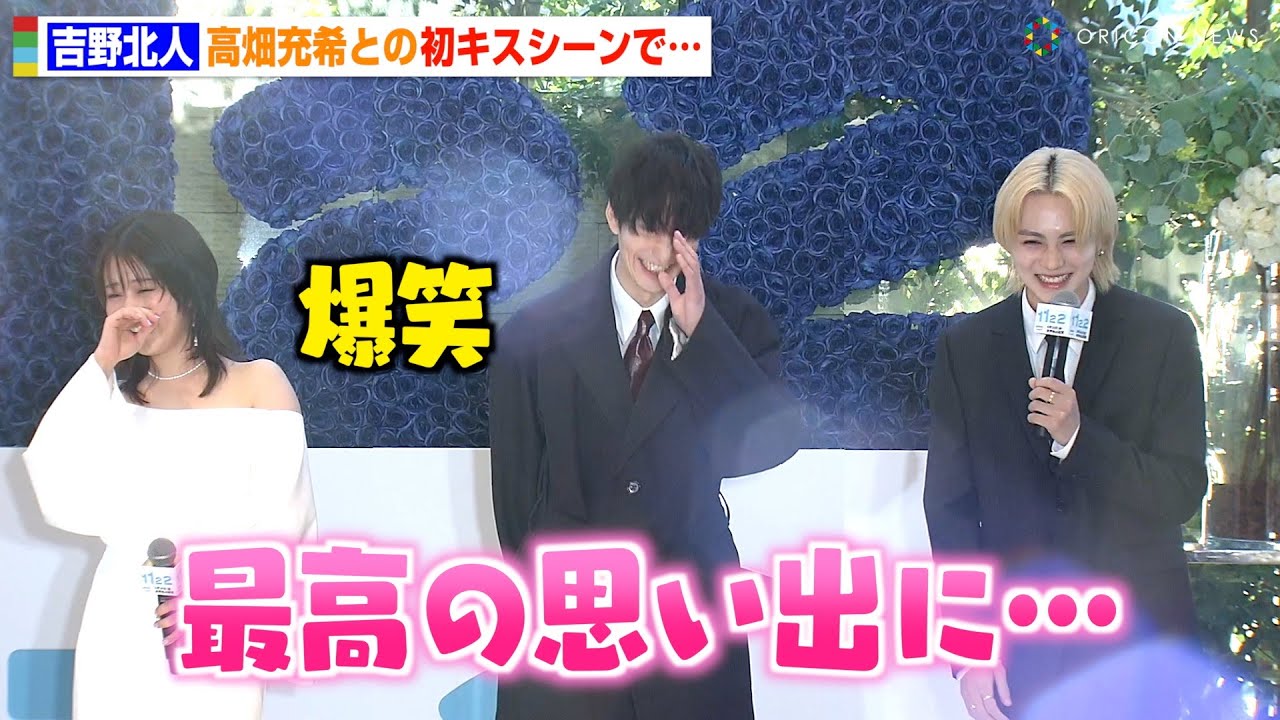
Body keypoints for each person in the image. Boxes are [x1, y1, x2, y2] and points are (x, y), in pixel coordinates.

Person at [488, 131, 804, 720]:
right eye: (647, 228)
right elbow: (515, 495)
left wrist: (699, 332)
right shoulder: (535, 333)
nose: (662, 252)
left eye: (681, 233)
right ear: (613, 216)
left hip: (689, 619)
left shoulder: (734, 321)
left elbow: (772, 441)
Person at [923, 147, 1208, 720]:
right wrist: (970, 646)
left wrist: (1079, 438)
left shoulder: (1163, 336)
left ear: (1100, 240)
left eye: (1070, 240)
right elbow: (950, 510)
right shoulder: (967, 348)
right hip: (1022, 648)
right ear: (1009, 243)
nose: (1052, 261)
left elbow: (1180, 492)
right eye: (1033, 241)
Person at [23, 211, 318, 720]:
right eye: (114, 293)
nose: (129, 308)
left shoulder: (258, 384)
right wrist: (103, 361)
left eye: (145, 289)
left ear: (189, 286)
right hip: (118, 626)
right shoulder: (112, 399)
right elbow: (51, 484)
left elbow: (290, 530)